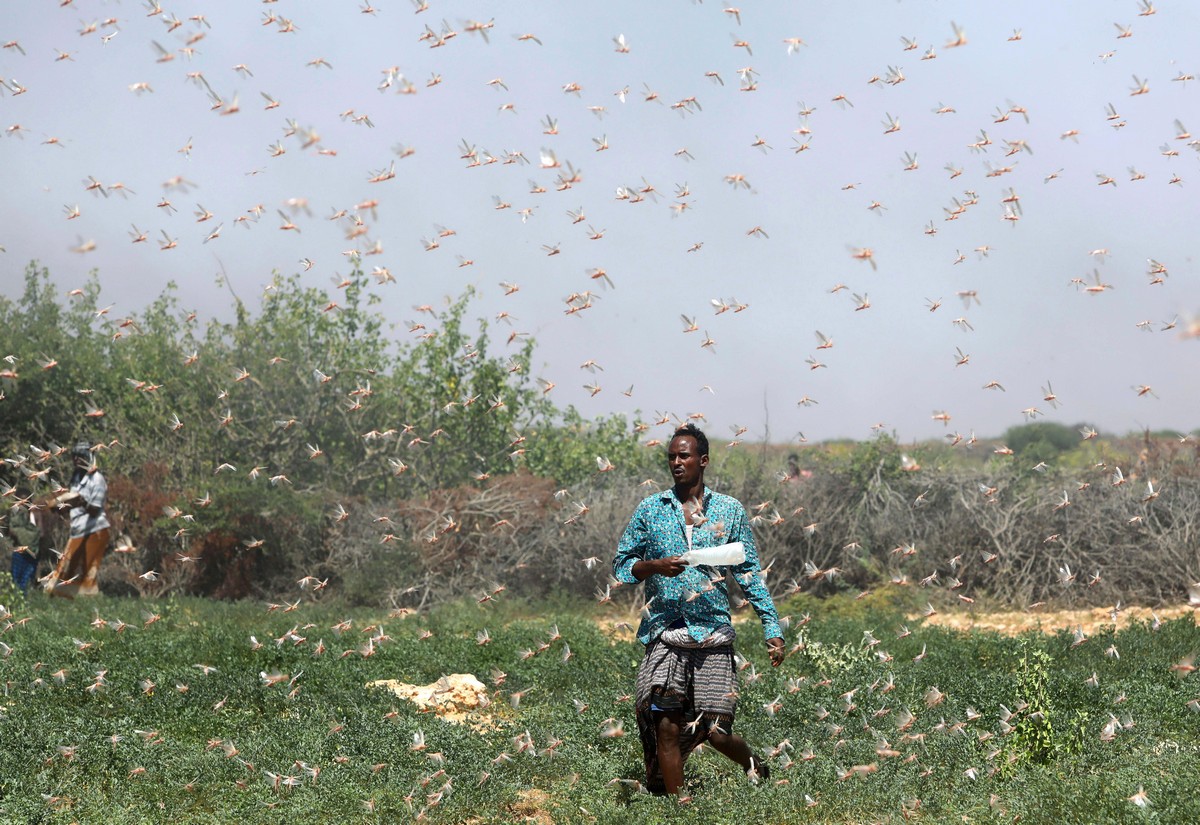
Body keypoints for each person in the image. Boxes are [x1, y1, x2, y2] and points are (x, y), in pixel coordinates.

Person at [613, 423, 785, 796]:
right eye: (672, 456)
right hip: (665, 630)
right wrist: (656, 565)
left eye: (684, 455)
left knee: (716, 732)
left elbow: (748, 572)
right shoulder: (652, 509)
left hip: (712, 633)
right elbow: (622, 566)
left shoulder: (729, 510)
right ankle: (679, 809)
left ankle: (756, 766)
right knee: (667, 725)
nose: (676, 462)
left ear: (702, 461)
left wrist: (771, 625)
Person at [44, 442, 111, 597]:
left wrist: (81, 501)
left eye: (79, 457)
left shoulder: (97, 480)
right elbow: (72, 501)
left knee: (86, 573)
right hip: (78, 529)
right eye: (74, 457)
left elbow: (94, 510)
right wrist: (60, 507)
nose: (76, 460)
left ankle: (85, 602)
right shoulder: (76, 477)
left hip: (94, 529)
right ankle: (66, 599)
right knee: (67, 568)